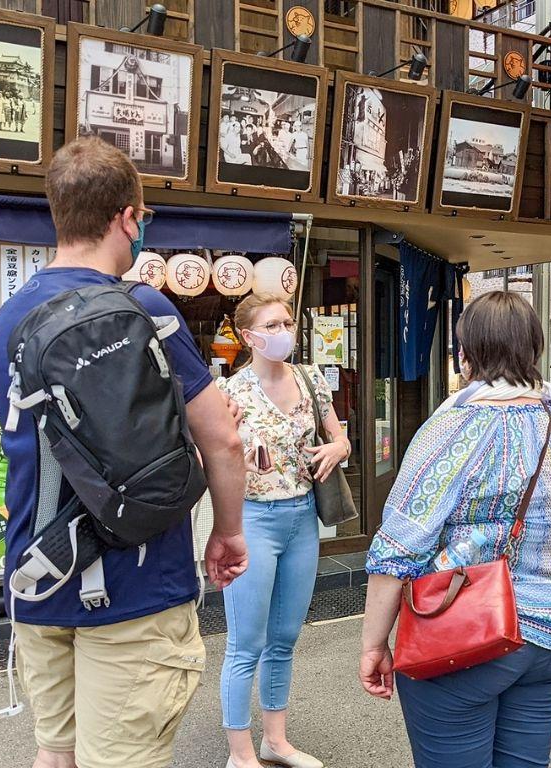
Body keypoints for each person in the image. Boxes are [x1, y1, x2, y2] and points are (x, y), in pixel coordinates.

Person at [0, 137, 249, 768]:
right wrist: (228, 534)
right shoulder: (146, 308)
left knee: (56, 755)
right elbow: (225, 437)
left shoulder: (10, 319)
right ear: (127, 217)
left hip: (40, 573)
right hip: (134, 587)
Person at [360, 291, 551, 768]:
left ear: (465, 352)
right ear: (533, 348)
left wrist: (373, 644)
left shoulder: (454, 428)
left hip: (465, 633)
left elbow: (398, 547)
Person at [218, 294, 350, 768]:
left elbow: (339, 436)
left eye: (288, 321)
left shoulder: (311, 379)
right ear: (249, 337)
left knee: (284, 637)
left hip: (302, 518)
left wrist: (339, 447)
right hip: (252, 519)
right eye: (273, 324)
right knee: (245, 643)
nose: (285, 330)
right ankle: (240, 753)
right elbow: (208, 462)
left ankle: (276, 741)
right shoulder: (229, 393)